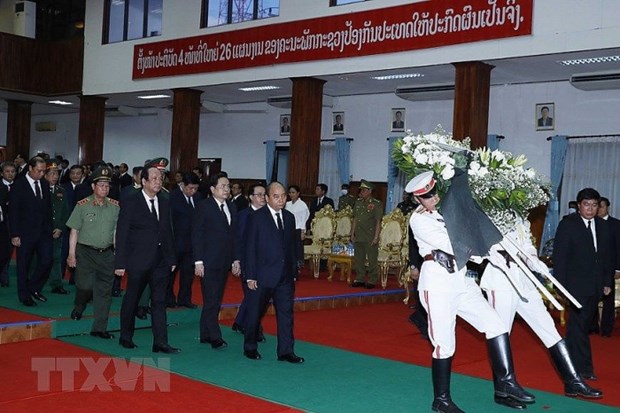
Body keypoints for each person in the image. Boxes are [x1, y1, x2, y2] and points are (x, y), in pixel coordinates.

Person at [407, 171, 534, 412]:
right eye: (426, 197)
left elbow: (469, 233)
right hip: (437, 285)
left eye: (434, 193)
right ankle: (441, 400)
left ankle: (506, 384)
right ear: (417, 199)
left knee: (496, 325)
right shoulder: (419, 220)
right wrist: (487, 252)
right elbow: (453, 243)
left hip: (462, 280)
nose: (432, 199)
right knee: (444, 344)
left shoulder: (450, 209)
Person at [480, 218, 602, 400]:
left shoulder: (519, 214)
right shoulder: (487, 213)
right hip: (501, 280)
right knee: (500, 334)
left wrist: (533, 259)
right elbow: (478, 243)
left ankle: (573, 381)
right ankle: (503, 388)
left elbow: (526, 243)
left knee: (548, 328)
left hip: (524, 279)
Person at [115, 160, 179, 353]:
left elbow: (168, 231)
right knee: (132, 298)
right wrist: (120, 261)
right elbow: (122, 232)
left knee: (159, 301)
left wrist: (172, 257)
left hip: (161, 260)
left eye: (160, 178)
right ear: (143, 181)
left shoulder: (165, 201)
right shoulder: (131, 200)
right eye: (154, 178)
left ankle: (160, 342)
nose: (158, 182)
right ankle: (126, 336)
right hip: (138, 259)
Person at [553, 188, 614, 381]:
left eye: (594, 205)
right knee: (579, 325)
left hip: (596, 285)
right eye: (586, 204)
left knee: (578, 326)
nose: (590, 208)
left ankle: (567, 361)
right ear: (579, 206)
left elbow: (607, 258)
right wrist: (560, 286)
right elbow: (560, 257)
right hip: (574, 285)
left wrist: (607, 282)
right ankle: (584, 368)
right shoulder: (568, 224)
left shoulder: (603, 227)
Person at [242, 181, 303, 363]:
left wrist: (293, 271)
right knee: (255, 313)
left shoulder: (290, 217)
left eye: (283, 196)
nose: (281, 200)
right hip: (262, 275)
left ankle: (285, 351)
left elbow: (292, 247)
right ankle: (250, 347)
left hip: (284, 276)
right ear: (267, 198)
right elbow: (249, 248)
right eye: (276, 196)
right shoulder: (256, 217)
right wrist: (250, 275)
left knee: (286, 315)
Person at [66, 166, 120, 339]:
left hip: (106, 254)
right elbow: (74, 230)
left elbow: (116, 232)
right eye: (101, 185)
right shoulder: (82, 206)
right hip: (85, 253)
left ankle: (99, 328)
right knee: (85, 286)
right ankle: (80, 305)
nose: (105, 188)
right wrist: (71, 254)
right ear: (93, 187)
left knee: (104, 292)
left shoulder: (115, 207)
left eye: (107, 185)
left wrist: (118, 255)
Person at [192, 172, 240, 349]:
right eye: (223, 186)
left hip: (224, 260)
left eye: (228, 186)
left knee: (215, 298)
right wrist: (198, 261)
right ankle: (214, 336)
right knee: (211, 298)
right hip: (208, 260)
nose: (226, 189)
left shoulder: (231, 207)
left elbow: (234, 236)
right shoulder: (204, 206)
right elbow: (197, 234)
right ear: (213, 189)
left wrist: (236, 259)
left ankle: (205, 332)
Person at [9, 156, 53, 307]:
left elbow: (48, 208)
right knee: (23, 265)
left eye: (43, 171)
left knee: (47, 260)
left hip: (43, 232)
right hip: (25, 233)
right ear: (30, 168)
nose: (41, 174)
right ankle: (24, 295)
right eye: (38, 171)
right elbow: (13, 212)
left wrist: (50, 228)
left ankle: (33, 287)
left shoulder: (44, 184)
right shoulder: (18, 185)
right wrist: (14, 234)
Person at [232, 183, 267, 339]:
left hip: (266, 262)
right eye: (258, 194)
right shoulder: (244, 215)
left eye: (264, 194)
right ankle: (254, 328)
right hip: (248, 261)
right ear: (250, 197)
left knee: (259, 295)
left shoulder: (269, 214)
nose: (262, 197)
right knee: (253, 295)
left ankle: (240, 321)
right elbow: (238, 240)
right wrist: (237, 260)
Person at [169, 172, 203, 309]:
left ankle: (184, 299)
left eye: (195, 188)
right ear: (182, 185)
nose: (193, 191)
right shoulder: (172, 197)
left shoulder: (199, 197)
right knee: (171, 274)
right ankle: (169, 299)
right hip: (176, 243)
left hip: (192, 244)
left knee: (188, 275)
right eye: (190, 188)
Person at [43, 159, 70, 295]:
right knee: (38, 258)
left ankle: (56, 284)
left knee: (56, 258)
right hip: (41, 232)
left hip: (57, 231)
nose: (55, 176)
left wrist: (60, 228)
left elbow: (65, 211)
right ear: (45, 175)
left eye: (57, 173)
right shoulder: (40, 190)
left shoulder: (61, 191)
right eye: (52, 173)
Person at [594, 197, 620, 337]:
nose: (598, 209)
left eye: (601, 206)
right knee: (592, 296)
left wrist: (618, 268)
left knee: (608, 299)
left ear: (607, 208)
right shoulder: (591, 223)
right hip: (593, 268)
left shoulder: (616, 224)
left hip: (609, 267)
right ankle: (592, 326)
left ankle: (606, 329)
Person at [350, 180, 383, 289]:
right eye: (361, 190)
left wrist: (376, 237)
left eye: (364, 190)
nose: (362, 192)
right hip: (359, 235)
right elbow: (355, 219)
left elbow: (378, 221)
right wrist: (352, 233)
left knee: (372, 259)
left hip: (370, 236)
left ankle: (372, 280)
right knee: (359, 259)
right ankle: (360, 278)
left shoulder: (376, 204)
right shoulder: (358, 202)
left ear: (369, 191)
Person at [285, 185, 310, 270]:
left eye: (293, 192)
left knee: (297, 248)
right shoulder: (287, 204)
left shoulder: (302, 205)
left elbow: (304, 219)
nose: (291, 194)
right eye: (290, 193)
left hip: (298, 229)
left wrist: (303, 232)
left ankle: (297, 267)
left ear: (298, 193)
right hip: (288, 229)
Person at [0, 162, 16, 287]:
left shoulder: (19, 187)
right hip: (1, 224)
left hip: (14, 225)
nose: (10, 174)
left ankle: (4, 278)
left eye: (12, 171)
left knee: (8, 252)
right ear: (2, 173)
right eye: (7, 171)